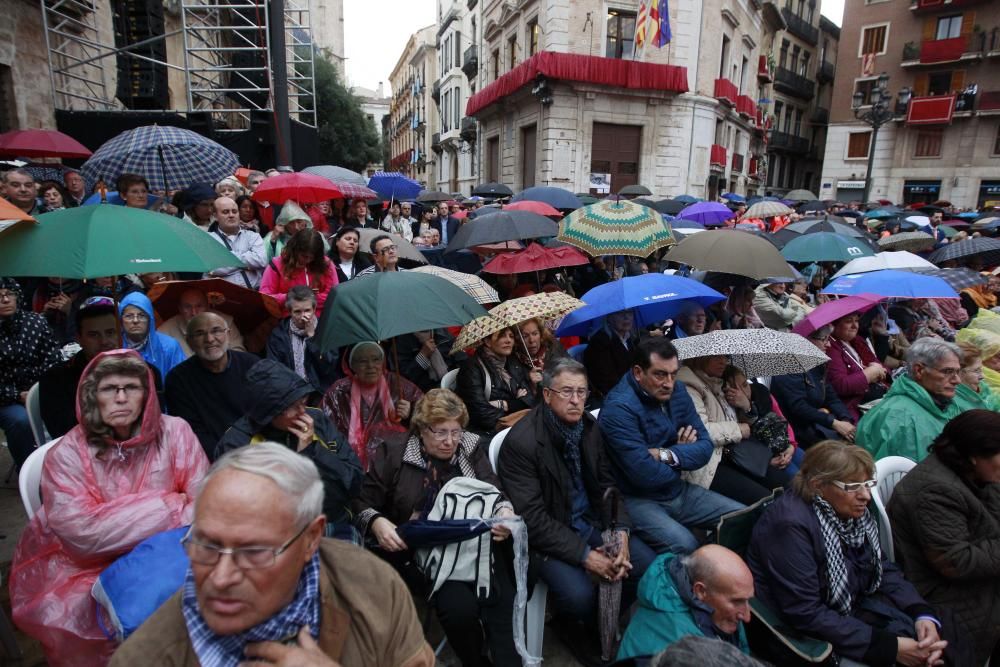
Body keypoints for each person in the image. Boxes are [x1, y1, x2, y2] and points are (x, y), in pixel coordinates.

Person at [110, 443, 433, 667]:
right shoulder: (144, 657)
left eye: (253, 552)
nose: (220, 578)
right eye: (207, 545)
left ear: (310, 539)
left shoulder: (371, 585)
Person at [11, 350, 209, 667]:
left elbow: (205, 506)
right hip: (85, 571)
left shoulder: (175, 432)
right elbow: (83, 538)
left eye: (131, 387)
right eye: (109, 389)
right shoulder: (67, 455)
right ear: (92, 396)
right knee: (100, 627)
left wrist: (115, 518)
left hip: (173, 553)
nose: (120, 398)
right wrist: (170, 503)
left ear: (146, 395)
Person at [498, 358, 656, 663]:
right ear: (546, 395)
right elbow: (533, 520)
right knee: (580, 595)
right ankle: (574, 626)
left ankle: (601, 625)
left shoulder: (588, 428)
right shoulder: (523, 443)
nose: (576, 400)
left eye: (582, 393)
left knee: (643, 564)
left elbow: (608, 486)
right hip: (549, 535)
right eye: (566, 392)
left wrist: (620, 533)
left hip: (590, 521)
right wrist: (587, 556)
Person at [354, 389, 519, 667]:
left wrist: (504, 510)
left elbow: (494, 490)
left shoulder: (468, 445)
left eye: (455, 432)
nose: (449, 441)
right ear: (421, 428)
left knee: (503, 601)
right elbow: (361, 501)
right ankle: (476, 660)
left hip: (476, 541)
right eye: (440, 432)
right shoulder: (394, 452)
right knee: (459, 611)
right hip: (425, 549)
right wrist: (378, 522)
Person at [747, 441, 949, 667]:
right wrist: (890, 648)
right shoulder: (789, 526)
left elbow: (881, 569)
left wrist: (920, 612)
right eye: (853, 486)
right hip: (805, 638)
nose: (866, 496)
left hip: (848, 612)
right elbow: (804, 613)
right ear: (817, 485)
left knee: (941, 633)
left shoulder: (848, 512)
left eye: (867, 484)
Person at [598, 338, 744, 554]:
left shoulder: (677, 391)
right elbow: (644, 475)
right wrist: (683, 457)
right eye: (660, 374)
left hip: (678, 490)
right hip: (638, 499)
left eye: (673, 374)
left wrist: (665, 454)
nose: (668, 382)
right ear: (638, 373)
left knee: (741, 519)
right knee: (687, 545)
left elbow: (704, 448)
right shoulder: (619, 409)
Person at [889, 410, 1000, 666]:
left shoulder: (977, 475)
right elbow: (956, 561)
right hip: (947, 595)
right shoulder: (934, 490)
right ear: (974, 456)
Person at [216, 359, 362, 536]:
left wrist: (312, 451)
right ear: (269, 413)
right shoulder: (237, 444)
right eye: (293, 407)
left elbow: (354, 481)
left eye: (303, 400)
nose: (303, 411)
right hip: (275, 537)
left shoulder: (316, 419)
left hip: (332, 522)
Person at [677, 356, 792, 504]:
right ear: (700, 357)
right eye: (716, 357)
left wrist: (746, 406)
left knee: (790, 485)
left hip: (738, 453)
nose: (723, 361)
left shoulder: (718, 383)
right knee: (765, 500)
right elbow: (701, 430)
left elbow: (750, 425)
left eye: (726, 357)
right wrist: (738, 429)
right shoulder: (688, 386)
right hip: (711, 463)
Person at [38, 296, 158, 440]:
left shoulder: (146, 372)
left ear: (121, 334)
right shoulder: (55, 379)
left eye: (110, 332)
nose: (104, 341)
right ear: (79, 338)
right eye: (93, 335)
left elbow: (153, 422)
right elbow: (63, 432)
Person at [616, 545, 754, 660]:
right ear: (700, 591)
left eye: (747, 600)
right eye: (737, 601)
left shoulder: (718, 605)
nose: (747, 617)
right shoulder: (683, 649)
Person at [857, 338, 981, 462]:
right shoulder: (897, 417)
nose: (957, 380)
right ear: (919, 370)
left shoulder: (942, 405)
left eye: (957, 372)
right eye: (948, 372)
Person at [165, 312, 260, 457]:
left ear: (228, 334)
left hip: (258, 449)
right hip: (213, 457)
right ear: (189, 341)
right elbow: (192, 431)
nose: (209, 339)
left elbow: (267, 410)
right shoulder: (178, 379)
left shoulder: (252, 365)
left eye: (216, 331)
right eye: (199, 333)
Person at [322, 341, 423, 469]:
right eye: (363, 361)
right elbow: (325, 429)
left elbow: (428, 416)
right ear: (352, 365)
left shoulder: (398, 384)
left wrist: (411, 413)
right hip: (349, 462)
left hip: (394, 461)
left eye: (376, 359)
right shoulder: (339, 391)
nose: (370, 366)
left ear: (383, 362)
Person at [0, 277, 62, 467]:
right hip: (5, 399)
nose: (5, 300)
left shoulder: (35, 322)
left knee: (68, 404)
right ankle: (30, 471)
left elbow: (53, 359)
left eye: (9, 294)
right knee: (22, 421)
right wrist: (17, 395)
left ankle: (66, 467)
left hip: (39, 390)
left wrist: (37, 390)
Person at [772, 324, 857, 448]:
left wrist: (845, 420)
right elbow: (798, 407)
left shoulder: (816, 365)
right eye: (824, 339)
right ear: (806, 340)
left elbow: (831, 397)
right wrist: (834, 423)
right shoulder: (788, 366)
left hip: (818, 422)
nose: (828, 344)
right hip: (799, 430)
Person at [455, 327, 536, 435]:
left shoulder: (512, 361)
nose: (509, 340)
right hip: (487, 432)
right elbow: (480, 413)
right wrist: (515, 404)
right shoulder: (471, 368)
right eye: (502, 335)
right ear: (487, 341)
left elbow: (529, 397)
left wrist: (503, 404)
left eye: (511, 336)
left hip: (517, 423)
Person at [266, 285, 339, 393]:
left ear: (314, 309)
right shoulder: (278, 335)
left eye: (307, 310)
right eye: (297, 312)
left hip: (320, 392)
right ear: (290, 311)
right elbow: (274, 370)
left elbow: (329, 368)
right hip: (290, 392)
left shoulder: (325, 329)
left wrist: (312, 338)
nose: (303, 316)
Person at [260, 228, 338, 318]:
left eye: (312, 257)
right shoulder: (276, 265)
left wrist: (308, 299)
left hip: (320, 319)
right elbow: (265, 298)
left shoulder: (326, 264)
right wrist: (291, 297)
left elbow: (333, 296)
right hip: (287, 320)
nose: (308, 260)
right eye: (304, 256)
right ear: (294, 250)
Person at [826, 313, 889, 421]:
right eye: (849, 321)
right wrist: (869, 373)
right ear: (834, 325)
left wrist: (877, 370)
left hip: (880, 394)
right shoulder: (831, 348)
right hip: (858, 406)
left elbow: (882, 367)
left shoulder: (858, 341)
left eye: (856, 321)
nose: (855, 326)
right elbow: (841, 385)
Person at [156, 287, 246, 357]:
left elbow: (239, 353)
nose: (194, 312)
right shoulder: (164, 331)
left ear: (207, 306)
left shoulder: (225, 321)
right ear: (180, 309)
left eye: (199, 306)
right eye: (187, 307)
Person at [118, 291, 186, 378]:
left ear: (150, 319)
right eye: (129, 316)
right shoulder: (115, 346)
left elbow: (180, 380)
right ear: (121, 320)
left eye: (142, 315)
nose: (135, 320)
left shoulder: (169, 347)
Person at [204, 196, 267, 289]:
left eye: (234, 211)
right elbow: (215, 269)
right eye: (225, 212)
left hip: (254, 293)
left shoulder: (253, 236)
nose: (231, 215)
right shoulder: (207, 239)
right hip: (223, 295)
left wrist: (226, 258)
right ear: (215, 216)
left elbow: (261, 261)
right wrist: (248, 263)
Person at [583, 310, 640, 399]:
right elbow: (607, 383)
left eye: (630, 313)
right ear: (609, 317)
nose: (626, 317)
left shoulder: (631, 339)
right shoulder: (600, 342)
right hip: (614, 397)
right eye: (620, 313)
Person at [390, 328, 459, 393]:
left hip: (451, 383)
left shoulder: (441, 331)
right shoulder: (402, 341)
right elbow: (405, 379)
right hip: (424, 392)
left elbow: (460, 357)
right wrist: (423, 355)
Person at [515, 317, 567, 389]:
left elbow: (572, 371)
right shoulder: (514, 360)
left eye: (535, 334)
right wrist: (531, 384)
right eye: (525, 336)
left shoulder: (554, 347)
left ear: (541, 335)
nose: (531, 340)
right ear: (518, 339)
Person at [956, 339, 1000, 410]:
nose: (982, 376)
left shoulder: (980, 385)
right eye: (976, 371)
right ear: (956, 372)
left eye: (981, 369)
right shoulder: (956, 405)